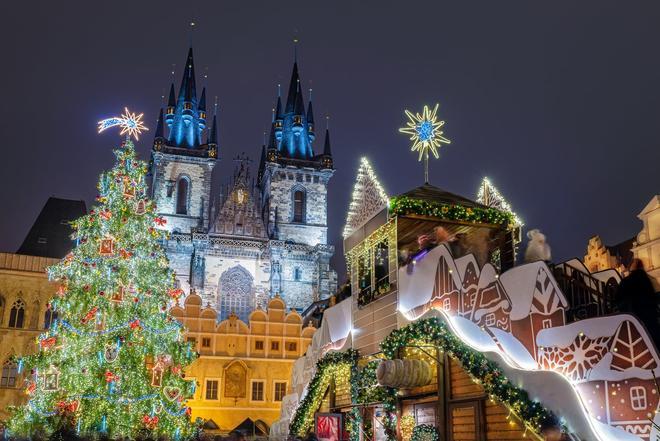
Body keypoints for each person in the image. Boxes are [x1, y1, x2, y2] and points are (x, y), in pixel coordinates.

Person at [616, 259, 660, 348]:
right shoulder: (650, 280)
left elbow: (617, 299)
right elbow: (657, 297)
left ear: (630, 268)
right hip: (651, 317)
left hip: (633, 318)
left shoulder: (625, 282)